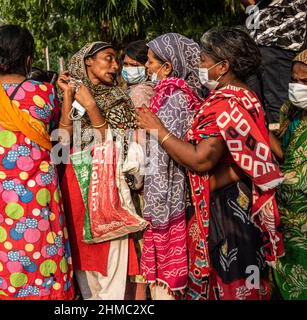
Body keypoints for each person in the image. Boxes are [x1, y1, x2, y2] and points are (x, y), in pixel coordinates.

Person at [136, 26, 284, 300]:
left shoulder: (223, 104)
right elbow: (271, 148)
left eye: (203, 61)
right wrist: (240, 170)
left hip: (226, 210)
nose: (199, 66)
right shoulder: (247, 96)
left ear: (223, 66)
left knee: (231, 280)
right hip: (243, 202)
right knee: (247, 278)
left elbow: (201, 159)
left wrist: (158, 129)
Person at [0, 25, 74, 300]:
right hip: (36, 191)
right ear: (28, 59)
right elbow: (62, 140)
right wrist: (68, 96)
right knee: (42, 252)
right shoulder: (43, 92)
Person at [57, 41, 139, 300]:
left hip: (108, 186)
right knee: (86, 267)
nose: (115, 66)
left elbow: (116, 148)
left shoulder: (119, 99)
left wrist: (92, 107)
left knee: (111, 263)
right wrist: (69, 98)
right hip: (77, 186)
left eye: (117, 60)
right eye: (108, 58)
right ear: (87, 62)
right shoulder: (73, 99)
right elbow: (63, 141)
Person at [133, 33, 202, 300]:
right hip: (162, 191)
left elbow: (165, 154)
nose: (147, 67)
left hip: (166, 195)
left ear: (168, 67)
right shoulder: (167, 94)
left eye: (150, 62)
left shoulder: (175, 97)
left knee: (166, 287)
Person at [270, 45, 307, 300]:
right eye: (294, 80)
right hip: (285, 223)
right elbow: (286, 150)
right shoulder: (291, 110)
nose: (297, 86)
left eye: (306, 81)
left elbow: (302, 177)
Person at [120, 39, 155, 300]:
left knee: (141, 246)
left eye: (135, 64)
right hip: (149, 172)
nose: (128, 69)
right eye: (126, 64)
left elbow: (140, 139)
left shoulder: (140, 92)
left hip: (141, 175)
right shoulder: (143, 88)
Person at [241, 0, 307, 128]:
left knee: (278, 106)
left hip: (278, 43)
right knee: (254, 104)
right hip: (255, 44)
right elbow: (250, 5)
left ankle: (283, 144)